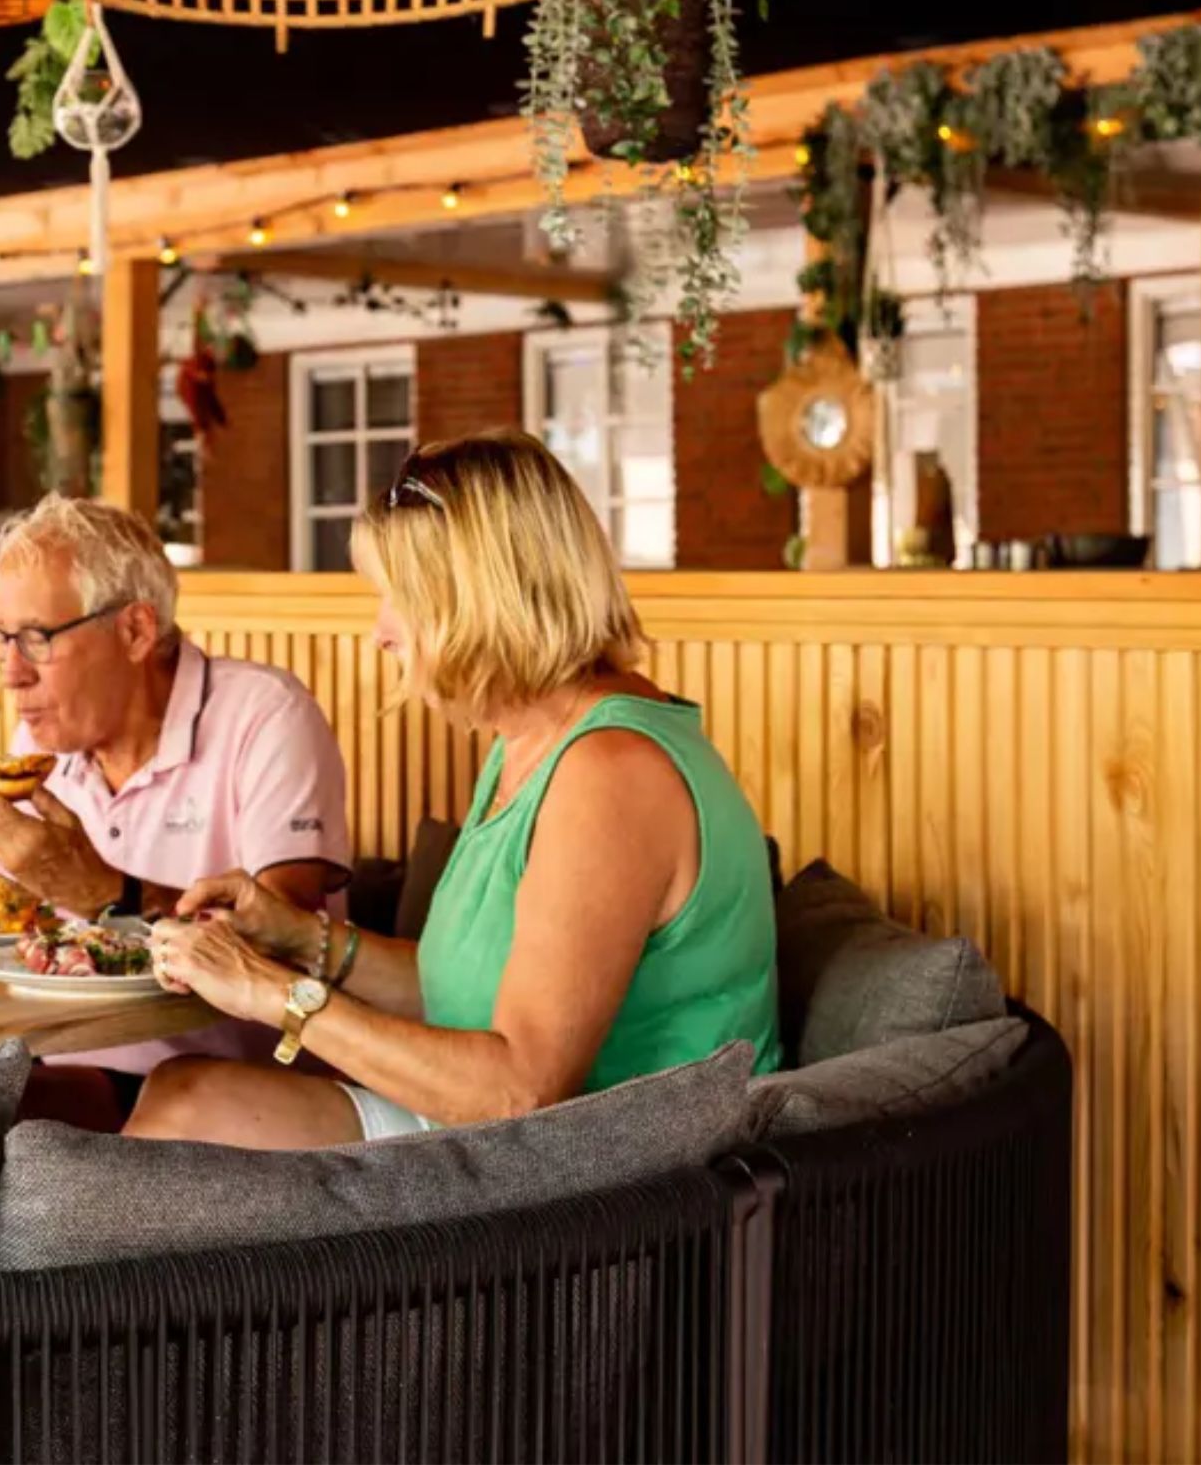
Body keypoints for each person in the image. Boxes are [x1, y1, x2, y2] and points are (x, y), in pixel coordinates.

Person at [127, 430, 781, 1148]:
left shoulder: (612, 772)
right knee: (180, 1090)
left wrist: (272, 992)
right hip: (530, 1139)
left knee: (188, 1113)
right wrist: (301, 939)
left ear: (478, 600)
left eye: (398, 598)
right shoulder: (531, 741)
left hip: (620, 1168)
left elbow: (519, 1091)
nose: (380, 633)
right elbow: (466, 990)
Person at [0, 494, 353, 1080]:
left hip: (226, 1086)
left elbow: (286, 937)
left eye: (37, 639)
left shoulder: (265, 715)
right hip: (55, 1067)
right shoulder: (41, 743)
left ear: (135, 631)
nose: (12, 674)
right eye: (0, 638)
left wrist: (110, 893)